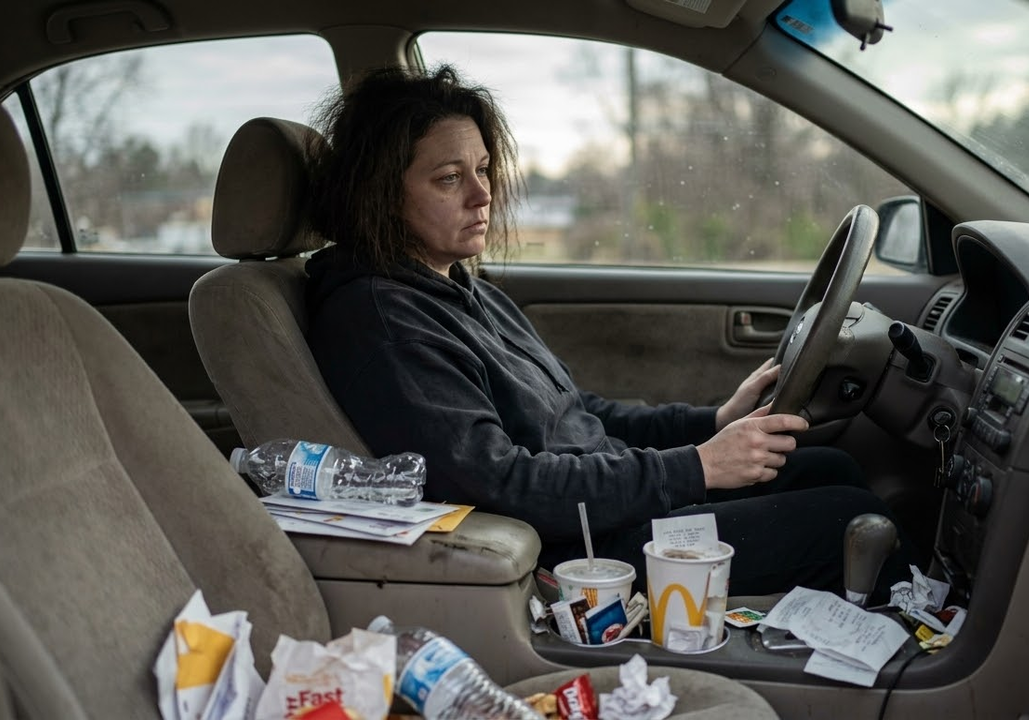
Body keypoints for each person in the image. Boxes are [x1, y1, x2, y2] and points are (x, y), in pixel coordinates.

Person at [304, 65, 913, 599]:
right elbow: (498, 482)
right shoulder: (385, 323)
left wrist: (711, 425)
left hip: (609, 509)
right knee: (848, 516)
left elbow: (576, 413)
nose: (483, 194)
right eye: (448, 178)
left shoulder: (460, 288)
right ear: (381, 195)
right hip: (586, 555)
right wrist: (694, 469)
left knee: (825, 467)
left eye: (484, 170)